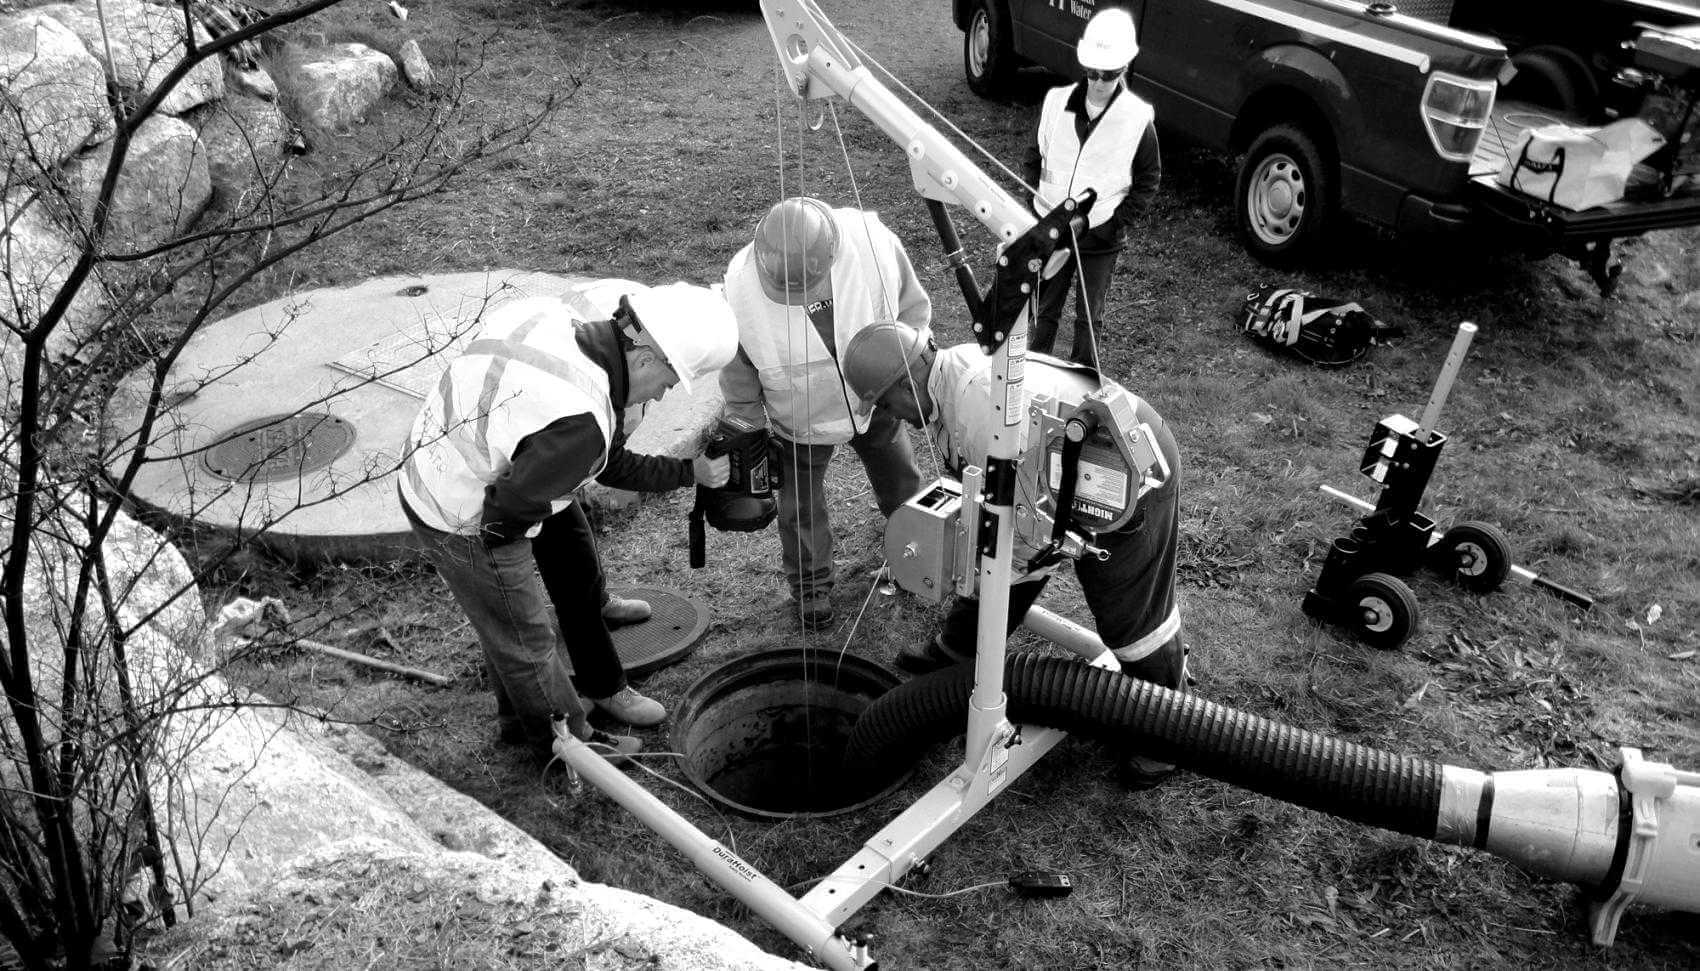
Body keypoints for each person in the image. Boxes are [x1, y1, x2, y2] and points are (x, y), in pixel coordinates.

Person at [398, 282, 739, 759]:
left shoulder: (566, 325)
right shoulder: (581, 421)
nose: (661, 398)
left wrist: (686, 471)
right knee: (523, 637)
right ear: (645, 359)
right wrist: (509, 575)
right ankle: (569, 747)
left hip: (480, 466)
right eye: (667, 384)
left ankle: (532, 714)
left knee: (570, 560)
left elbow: (591, 462)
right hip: (464, 510)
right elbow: (508, 510)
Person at [839, 321, 1185, 782]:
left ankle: (1167, 734)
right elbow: (1009, 515)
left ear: (905, 382)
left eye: (886, 404)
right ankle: (955, 656)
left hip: (1124, 463)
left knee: (1128, 611)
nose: (892, 416)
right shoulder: (946, 389)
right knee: (1004, 556)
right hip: (1061, 469)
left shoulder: (982, 408)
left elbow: (1023, 531)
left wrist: (988, 567)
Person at [720, 197, 930, 631]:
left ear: (830, 255)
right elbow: (737, 369)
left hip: (878, 398)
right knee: (799, 508)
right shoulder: (739, 287)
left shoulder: (872, 243)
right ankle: (811, 587)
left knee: (902, 484)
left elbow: (912, 311)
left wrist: (906, 373)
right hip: (799, 416)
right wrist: (748, 431)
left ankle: (920, 560)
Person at [1022, 7, 1161, 366]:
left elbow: (1149, 179)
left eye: (1109, 74)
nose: (1099, 82)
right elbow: (1034, 154)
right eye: (1093, 72)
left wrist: (1114, 225)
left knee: (1088, 318)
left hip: (1100, 239)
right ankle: (1035, 369)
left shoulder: (1137, 119)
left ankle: (1083, 379)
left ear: (1123, 69)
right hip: (1051, 228)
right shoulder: (1056, 102)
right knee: (1045, 309)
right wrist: (1032, 201)